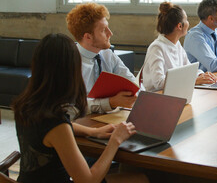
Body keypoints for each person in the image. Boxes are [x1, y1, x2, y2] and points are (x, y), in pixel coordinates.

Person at [12, 33, 148, 183]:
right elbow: (88, 180)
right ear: (69, 71)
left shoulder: (27, 105)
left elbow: (56, 133)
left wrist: (93, 131)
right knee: (140, 178)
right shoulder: (56, 124)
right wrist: (115, 141)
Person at [67, 3, 144, 113]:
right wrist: (110, 102)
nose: (110, 33)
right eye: (103, 30)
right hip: (82, 122)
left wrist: (135, 94)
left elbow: (132, 82)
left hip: (109, 116)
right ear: (88, 37)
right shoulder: (69, 62)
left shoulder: (107, 54)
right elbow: (71, 107)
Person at [143, 2, 217, 92]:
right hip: (156, 96)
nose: (188, 23)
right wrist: (194, 81)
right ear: (179, 26)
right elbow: (159, 83)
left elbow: (188, 68)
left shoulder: (176, 44)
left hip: (173, 93)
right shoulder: (156, 48)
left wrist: (201, 75)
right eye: (186, 20)